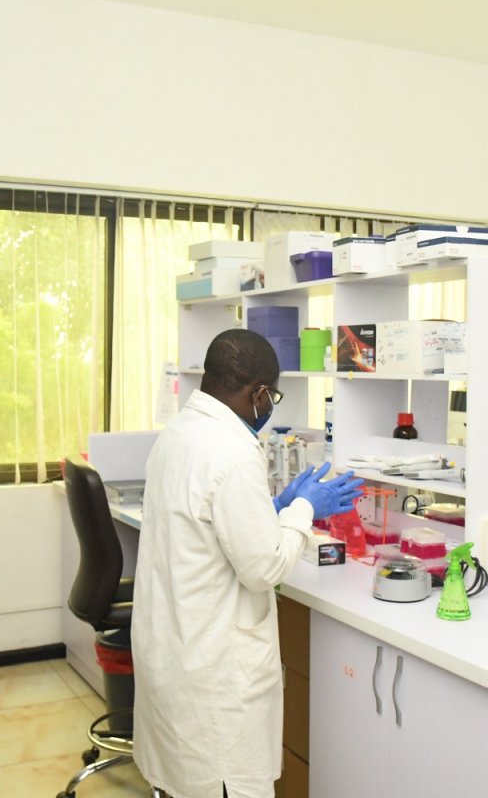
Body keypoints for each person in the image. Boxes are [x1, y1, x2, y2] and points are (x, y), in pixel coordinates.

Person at [132, 328, 363, 798]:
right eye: (272, 396)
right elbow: (264, 568)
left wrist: (274, 507)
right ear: (258, 393)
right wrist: (305, 510)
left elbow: (208, 527)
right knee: (221, 784)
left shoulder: (178, 433)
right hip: (214, 677)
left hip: (175, 657)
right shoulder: (233, 451)